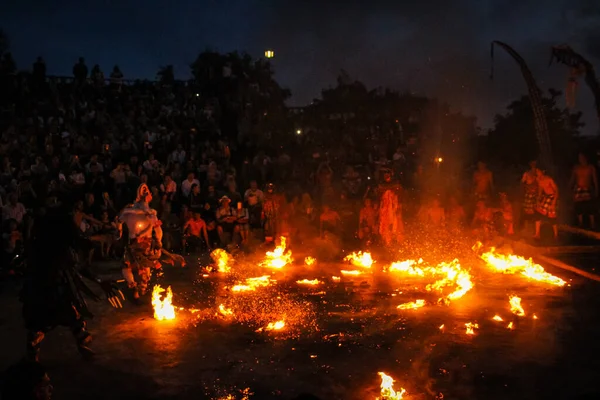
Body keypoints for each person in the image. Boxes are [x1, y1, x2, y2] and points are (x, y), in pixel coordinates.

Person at [22, 211, 123, 362]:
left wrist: (100, 281)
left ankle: (81, 347)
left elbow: (78, 265)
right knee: (38, 325)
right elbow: (74, 264)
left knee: (75, 319)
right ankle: (33, 360)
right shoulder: (44, 248)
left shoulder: (56, 246)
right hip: (45, 291)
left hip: (57, 290)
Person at [118, 184, 168, 300]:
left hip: (146, 244)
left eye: (148, 191)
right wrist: (119, 231)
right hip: (135, 243)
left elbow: (158, 230)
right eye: (145, 191)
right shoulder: (131, 212)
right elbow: (119, 222)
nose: (147, 193)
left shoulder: (150, 213)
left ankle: (141, 288)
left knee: (143, 267)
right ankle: (135, 287)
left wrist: (159, 242)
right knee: (128, 266)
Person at [366, 167, 403, 246]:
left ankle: (392, 242)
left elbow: (398, 192)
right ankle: (385, 242)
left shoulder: (395, 183)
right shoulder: (381, 184)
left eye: (388, 174)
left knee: (393, 224)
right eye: (385, 174)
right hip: (384, 208)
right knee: (383, 224)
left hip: (392, 207)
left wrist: (397, 204)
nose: (386, 176)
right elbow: (379, 193)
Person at [570, 153, 598, 228]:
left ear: (586, 158)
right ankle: (580, 223)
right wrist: (570, 188)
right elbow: (572, 179)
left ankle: (592, 224)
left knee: (590, 207)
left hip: (588, 189)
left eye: (582, 157)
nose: (581, 159)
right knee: (579, 207)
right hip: (579, 190)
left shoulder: (590, 167)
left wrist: (596, 190)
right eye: (579, 157)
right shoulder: (576, 167)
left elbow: (595, 180)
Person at [534, 168, 559, 240]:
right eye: (536, 171)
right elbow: (540, 190)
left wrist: (554, 202)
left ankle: (556, 235)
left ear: (543, 171)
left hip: (552, 197)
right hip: (546, 197)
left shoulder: (549, 179)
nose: (537, 172)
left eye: (538, 171)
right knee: (538, 214)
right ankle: (537, 234)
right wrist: (538, 199)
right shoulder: (539, 180)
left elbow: (556, 191)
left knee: (552, 216)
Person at [521, 160, 539, 229]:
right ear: (530, 164)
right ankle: (526, 226)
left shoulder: (538, 173)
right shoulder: (527, 173)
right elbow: (522, 183)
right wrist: (528, 187)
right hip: (528, 194)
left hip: (535, 194)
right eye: (532, 163)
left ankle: (533, 226)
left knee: (534, 210)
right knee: (527, 210)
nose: (533, 165)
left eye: (535, 163)